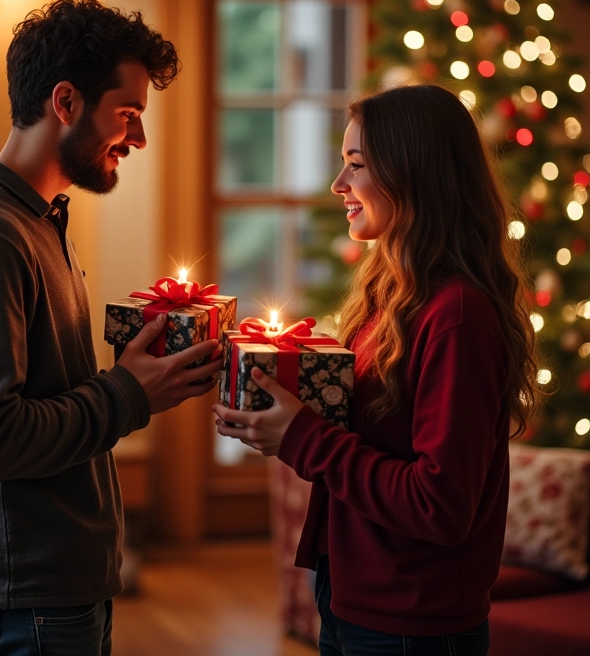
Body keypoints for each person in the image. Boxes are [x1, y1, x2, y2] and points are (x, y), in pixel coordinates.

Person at [0, 0, 222, 656]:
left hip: (51, 591)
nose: (138, 139)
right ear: (66, 103)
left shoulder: (35, 220)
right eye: (129, 115)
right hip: (21, 602)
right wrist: (129, 394)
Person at [213, 84, 544, 656]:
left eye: (356, 165)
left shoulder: (457, 316)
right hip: (354, 596)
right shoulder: (393, 296)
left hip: (415, 624)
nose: (338, 185)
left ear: (412, 173)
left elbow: (439, 505)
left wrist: (302, 436)